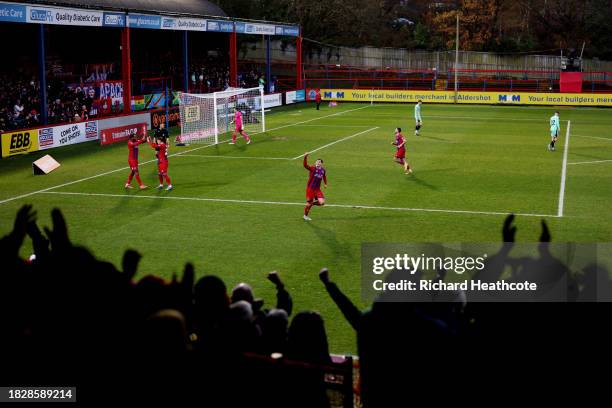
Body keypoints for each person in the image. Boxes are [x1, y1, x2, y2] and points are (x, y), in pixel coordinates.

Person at [303, 153, 327, 221]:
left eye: (319, 162)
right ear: (315, 162)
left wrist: (325, 184)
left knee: (322, 203)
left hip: (317, 190)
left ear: (322, 164)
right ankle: (305, 216)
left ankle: (312, 203)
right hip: (310, 189)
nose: (318, 162)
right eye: (317, 161)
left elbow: (324, 176)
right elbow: (305, 165)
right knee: (308, 205)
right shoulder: (312, 168)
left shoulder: (323, 170)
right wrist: (305, 157)